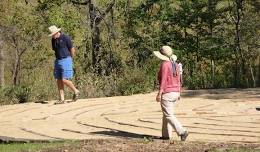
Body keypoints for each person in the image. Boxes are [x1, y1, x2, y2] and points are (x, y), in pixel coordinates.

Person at [153, 45, 188, 141]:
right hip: (175, 93)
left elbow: (163, 80)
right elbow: (178, 80)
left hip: (167, 93)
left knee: (168, 115)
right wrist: (179, 92)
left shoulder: (165, 65)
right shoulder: (175, 64)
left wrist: (159, 93)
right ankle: (166, 135)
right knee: (166, 114)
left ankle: (182, 131)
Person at [48, 25, 80, 104]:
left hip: (66, 59)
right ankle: (62, 99)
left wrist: (70, 59)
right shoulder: (53, 40)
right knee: (58, 80)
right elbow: (55, 50)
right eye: (52, 35)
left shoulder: (65, 37)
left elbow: (72, 49)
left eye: (53, 34)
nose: (53, 36)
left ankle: (76, 91)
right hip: (58, 60)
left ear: (57, 32)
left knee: (64, 79)